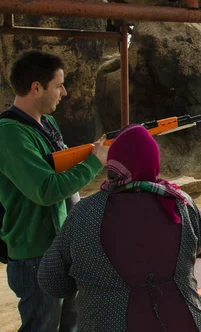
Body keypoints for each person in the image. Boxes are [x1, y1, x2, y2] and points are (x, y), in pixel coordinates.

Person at [38, 124, 201, 331]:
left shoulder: (84, 212)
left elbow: (51, 281)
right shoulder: (180, 203)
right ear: (154, 163)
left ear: (112, 166)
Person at [0, 50, 109, 331]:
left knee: (70, 324)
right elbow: (46, 190)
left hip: (60, 247)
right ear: (36, 87)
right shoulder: (10, 133)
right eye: (58, 84)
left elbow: (58, 168)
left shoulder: (45, 124)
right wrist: (93, 163)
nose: (64, 91)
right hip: (34, 255)